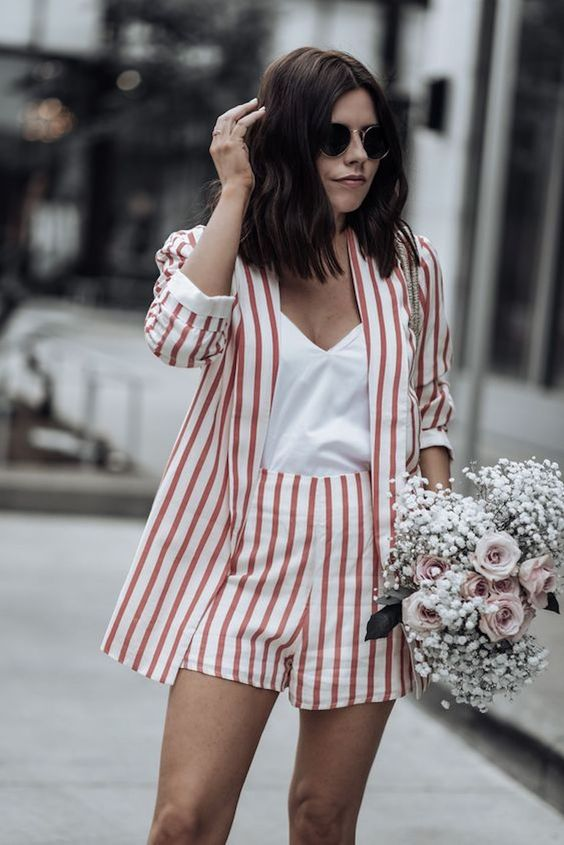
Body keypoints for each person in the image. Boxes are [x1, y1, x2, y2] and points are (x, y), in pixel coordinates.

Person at [101, 46, 455, 845]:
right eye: (334, 138)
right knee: (184, 819)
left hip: (369, 567)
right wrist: (235, 192)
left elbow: (431, 405)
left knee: (322, 818)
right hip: (242, 558)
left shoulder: (409, 265)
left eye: (373, 139)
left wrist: (444, 537)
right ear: (291, 141)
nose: (358, 157)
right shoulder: (216, 254)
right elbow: (178, 340)